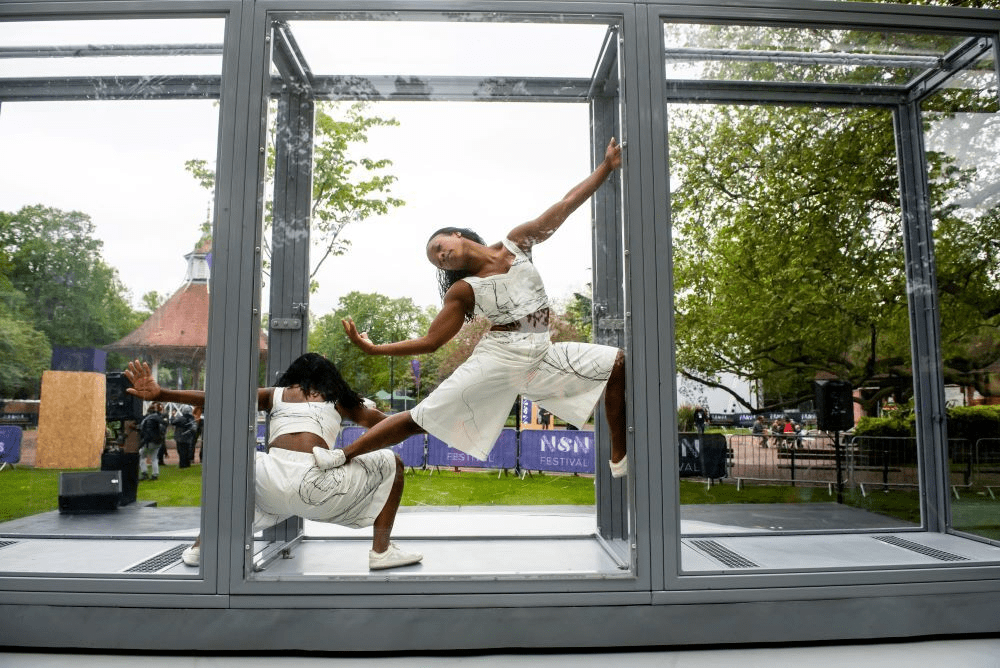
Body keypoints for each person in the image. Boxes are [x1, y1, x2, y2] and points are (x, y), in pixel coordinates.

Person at [339, 138, 627, 477]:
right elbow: (432, 341)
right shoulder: (463, 291)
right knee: (424, 417)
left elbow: (564, 206)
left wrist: (606, 167)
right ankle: (344, 455)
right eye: (436, 261)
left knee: (618, 364)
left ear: (456, 235)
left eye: (439, 247)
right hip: (500, 358)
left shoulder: (515, 243)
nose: (441, 257)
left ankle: (619, 453)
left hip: (541, 353)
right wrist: (374, 350)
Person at [123, 354, 422, 571]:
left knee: (239, 462)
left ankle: (203, 546)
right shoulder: (338, 398)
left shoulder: (274, 394)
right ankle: (381, 551)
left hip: (270, 484)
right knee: (391, 462)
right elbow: (389, 427)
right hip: (318, 486)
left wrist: (163, 393)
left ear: (292, 377)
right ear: (329, 379)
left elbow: (219, 396)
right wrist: (428, 417)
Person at [138, 402, 167, 481]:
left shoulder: (147, 419)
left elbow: (143, 431)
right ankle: (155, 474)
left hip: (150, 441)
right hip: (158, 441)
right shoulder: (159, 418)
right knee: (154, 458)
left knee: (141, 456)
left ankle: (144, 472)